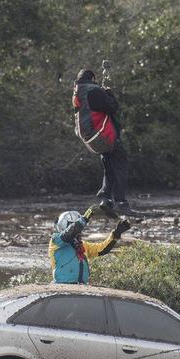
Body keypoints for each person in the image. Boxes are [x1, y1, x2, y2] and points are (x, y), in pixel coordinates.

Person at [73, 68, 130, 213]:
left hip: (92, 138)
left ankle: (106, 199)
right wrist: (109, 93)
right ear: (92, 78)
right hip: (105, 136)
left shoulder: (77, 93)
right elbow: (113, 107)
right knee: (120, 165)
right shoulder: (94, 91)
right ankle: (121, 202)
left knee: (109, 165)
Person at [49, 205, 131, 284]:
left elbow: (102, 249)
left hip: (81, 287)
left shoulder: (83, 245)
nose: (79, 231)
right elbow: (69, 233)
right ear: (64, 226)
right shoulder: (56, 241)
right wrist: (84, 218)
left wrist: (116, 234)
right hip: (62, 286)